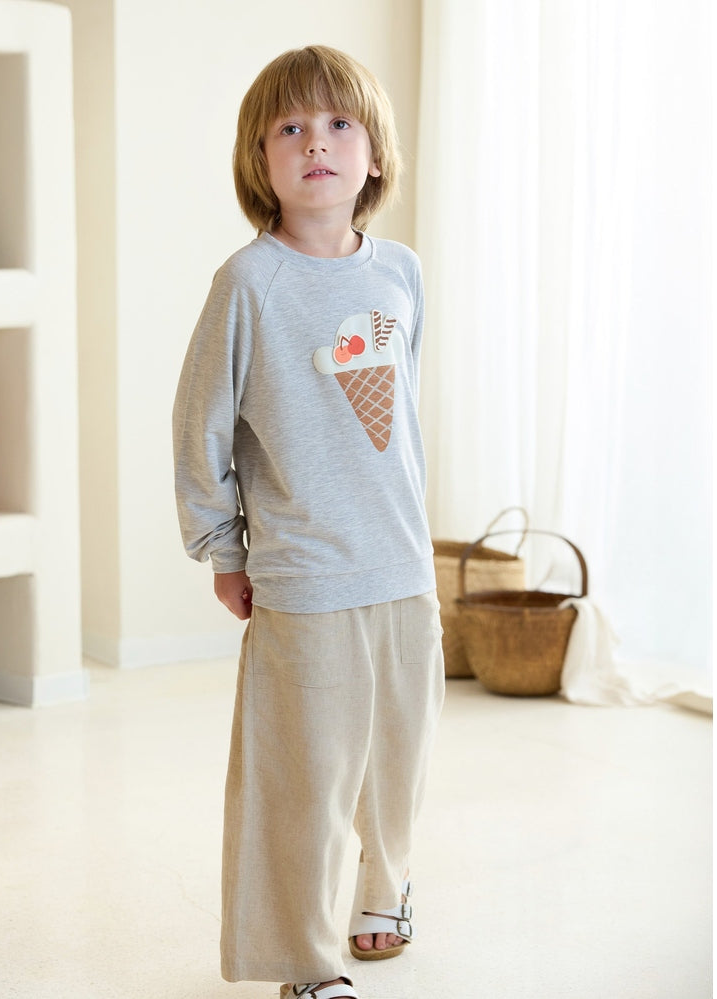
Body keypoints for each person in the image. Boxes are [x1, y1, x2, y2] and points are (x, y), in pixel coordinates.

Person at [172, 44, 445, 999]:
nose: (314, 143)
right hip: (305, 571)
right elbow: (200, 424)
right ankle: (301, 959)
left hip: (402, 564)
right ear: (261, 159)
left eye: (337, 123)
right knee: (301, 778)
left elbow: (401, 422)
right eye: (288, 127)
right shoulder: (248, 282)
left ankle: (385, 886)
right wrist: (221, 546)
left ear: (373, 154)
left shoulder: (401, 272)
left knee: (398, 758)